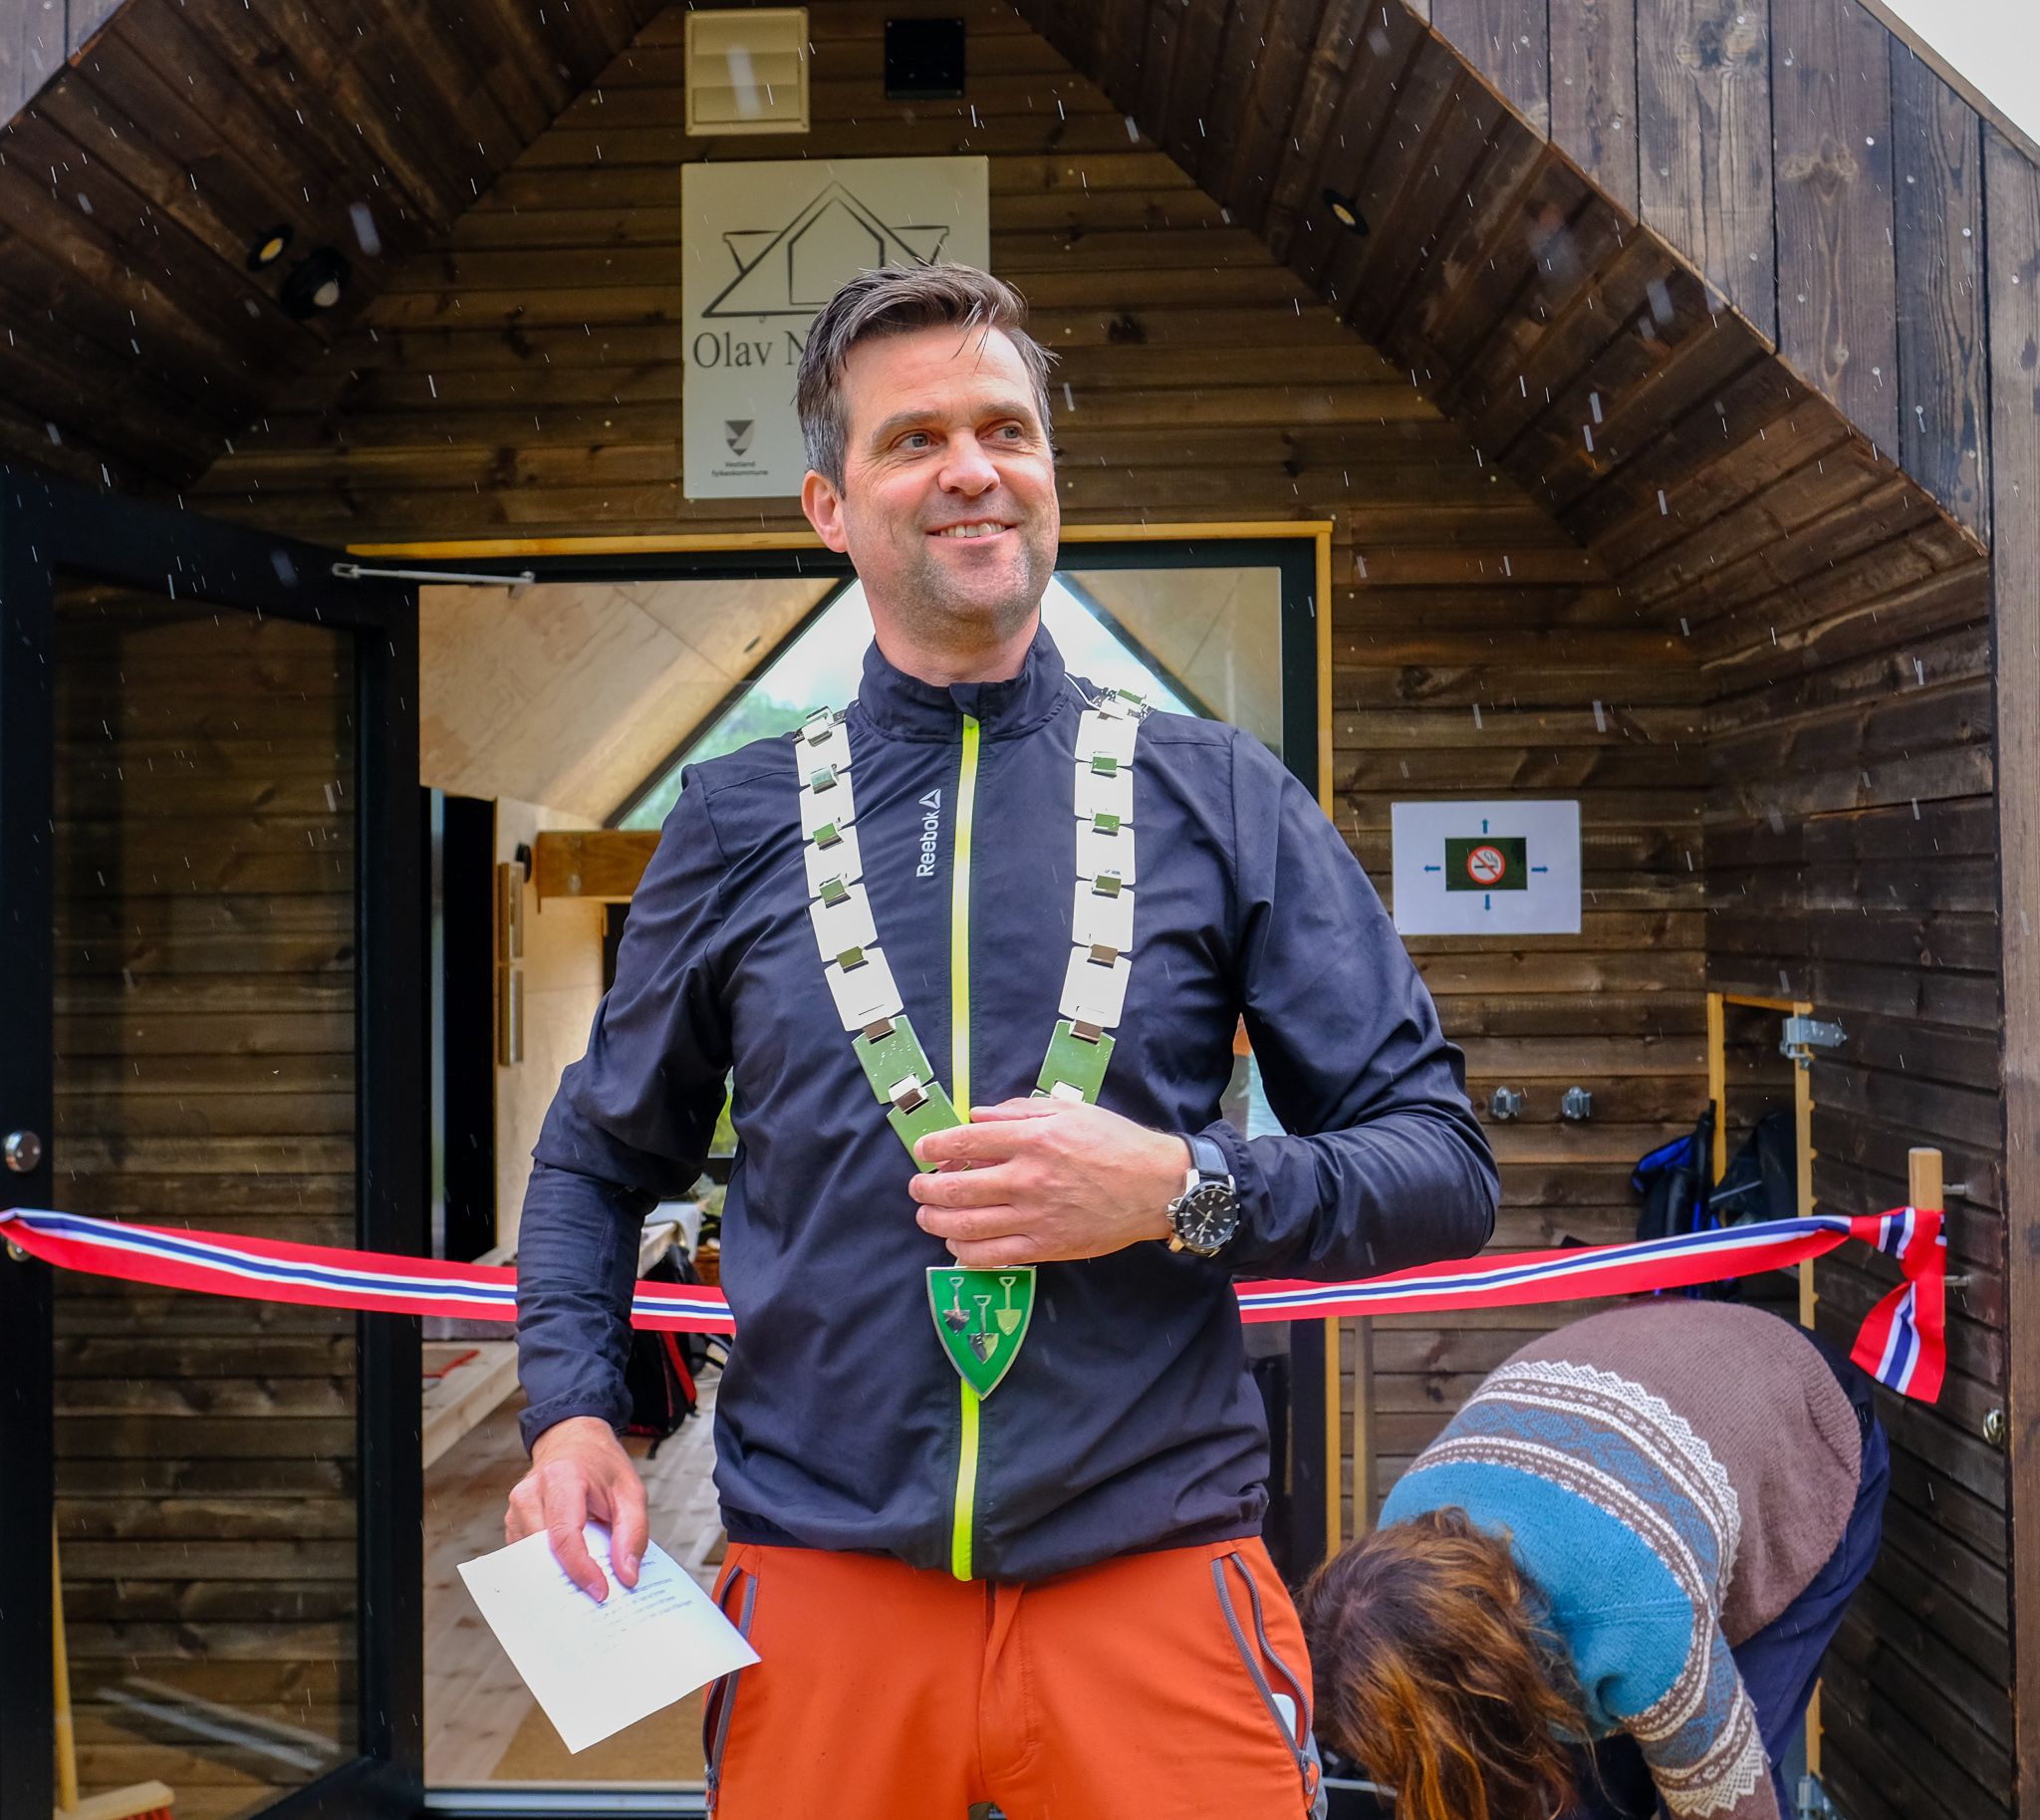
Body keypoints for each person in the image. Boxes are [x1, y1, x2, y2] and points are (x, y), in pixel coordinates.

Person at [506, 261, 1499, 1819]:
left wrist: (1181, 1188)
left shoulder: (1218, 793)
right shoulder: (734, 818)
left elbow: (1440, 1165)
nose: (972, 468)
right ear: (832, 507)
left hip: (1155, 1577)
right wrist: (572, 1409)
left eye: (1005, 430)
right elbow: (596, 1155)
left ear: (1050, 473)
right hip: (826, 1589)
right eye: (915, 439)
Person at [1299, 1299, 1890, 1820]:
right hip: (1641, 1396)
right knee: (1582, 1795)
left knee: (1714, 1766)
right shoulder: (1407, 1524)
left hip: (1805, 1425)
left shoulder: (1640, 1618)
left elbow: (1729, 1805)